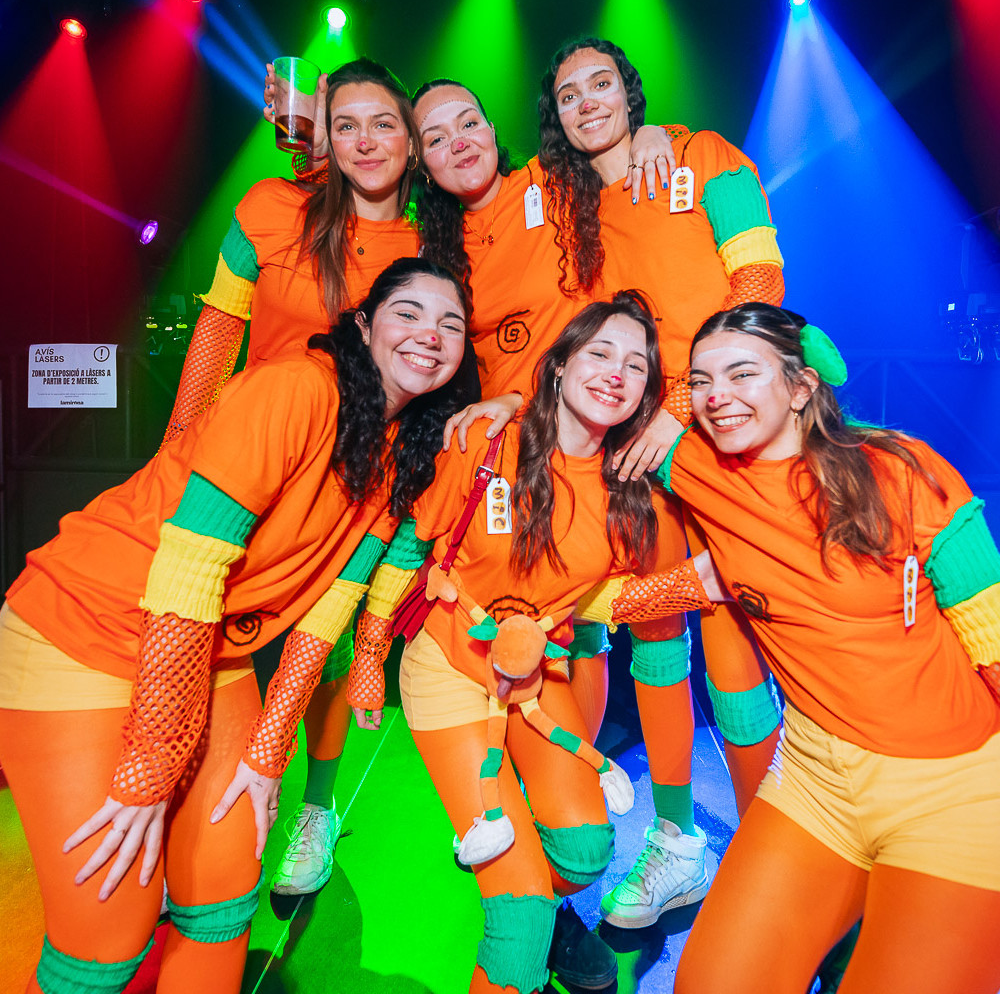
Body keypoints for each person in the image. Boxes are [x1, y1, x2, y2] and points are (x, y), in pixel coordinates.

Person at [0, 259, 477, 994]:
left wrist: (267, 748)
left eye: (451, 324)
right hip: (82, 627)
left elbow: (328, 610)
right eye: (408, 312)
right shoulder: (295, 388)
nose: (430, 335)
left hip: (209, 644)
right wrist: (151, 767)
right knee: (109, 935)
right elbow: (190, 574)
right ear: (362, 326)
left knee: (225, 890)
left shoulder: (401, 453)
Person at [344, 292, 721, 994]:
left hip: (533, 679)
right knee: (516, 919)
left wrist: (702, 583)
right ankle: (518, 912)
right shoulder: (487, 441)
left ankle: (537, 905)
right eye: (600, 353)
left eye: (636, 365)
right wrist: (368, 655)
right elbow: (409, 545)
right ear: (558, 366)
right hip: (449, 669)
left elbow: (599, 602)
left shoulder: (630, 495)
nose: (616, 373)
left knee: (584, 855)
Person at [653, 303, 1000, 994]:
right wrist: (503, 403)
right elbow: (597, 396)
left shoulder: (901, 472)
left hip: (953, 793)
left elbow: (992, 638)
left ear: (802, 386)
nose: (717, 396)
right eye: (701, 381)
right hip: (815, 782)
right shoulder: (696, 468)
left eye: (742, 373)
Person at [533, 36, 788, 929]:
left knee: (735, 642)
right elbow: (459, 164)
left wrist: (687, 402)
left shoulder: (704, 156)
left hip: (726, 436)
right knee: (654, 630)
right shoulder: (571, 207)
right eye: (568, 95)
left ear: (631, 92)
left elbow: (760, 281)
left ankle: (767, 854)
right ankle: (678, 842)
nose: (587, 103)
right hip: (638, 450)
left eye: (601, 83)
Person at [176, 57, 423, 900]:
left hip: (355, 482)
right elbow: (216, 332)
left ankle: (315, 810)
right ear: (326, 135)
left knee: (323, 650)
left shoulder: (434, 246)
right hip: (249, 466)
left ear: (411, 140)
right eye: (346, 124)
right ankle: (187, 802)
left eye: (384, 124)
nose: (366, 141)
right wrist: (181, 445)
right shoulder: (271, 209)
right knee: (203, 626)